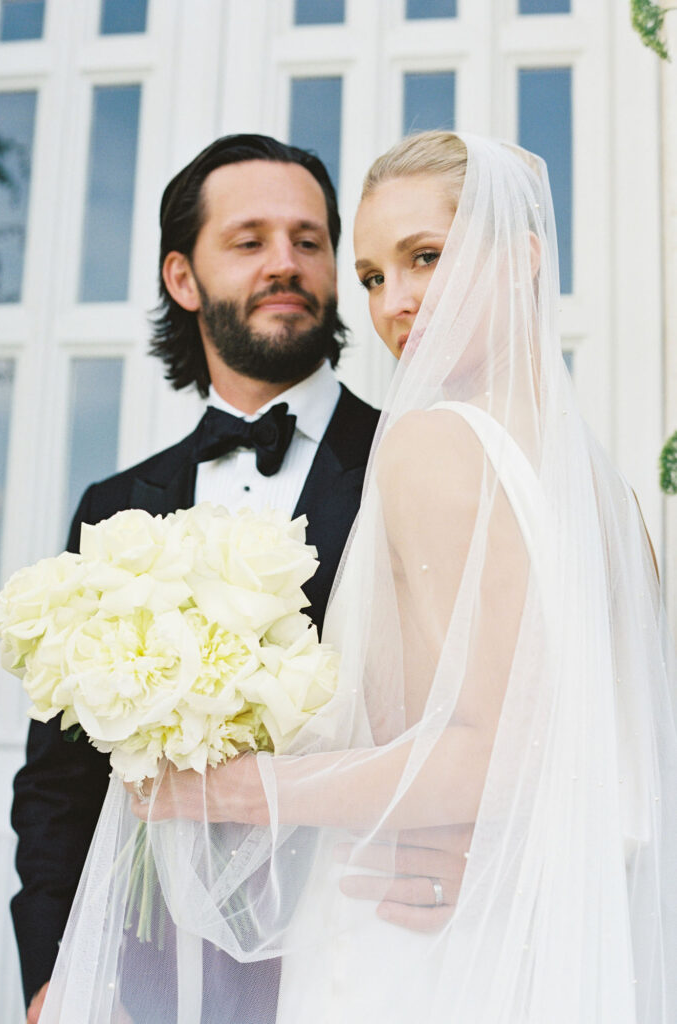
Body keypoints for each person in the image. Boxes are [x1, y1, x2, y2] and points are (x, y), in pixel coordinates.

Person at [41, 130, 677, 1022]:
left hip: (407, 937)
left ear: (524, 258)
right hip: (546, 947)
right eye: (375, 276)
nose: (396, 302)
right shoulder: (608, 491)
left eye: (426, 258)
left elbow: (488, 748)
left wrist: (228, 791)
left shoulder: (422, 442)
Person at [11, 134, 466, 1024]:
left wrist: (471, 852)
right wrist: (52, 974)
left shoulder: (416, 459)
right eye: (249, 241)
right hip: (152, 966)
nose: (286, 264)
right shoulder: (116, 505)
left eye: (309, 240)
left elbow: (485, 706)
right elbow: (61, 780)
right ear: (184, 278)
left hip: (364, 948)